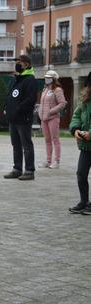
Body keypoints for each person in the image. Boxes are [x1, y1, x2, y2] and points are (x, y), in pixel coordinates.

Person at [4, 55, 37, 181]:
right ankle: (17, 168)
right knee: (15, 144)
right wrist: (7, 107)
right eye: (16, 62)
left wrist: (18, 109)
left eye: (19, 62)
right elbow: (10, 95)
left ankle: (29, 170)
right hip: (13, 118)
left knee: (26, 145)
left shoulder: (30, 79)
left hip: (23, 118)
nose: (17, 64)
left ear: (27, 64)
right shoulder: (15, 79)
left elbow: (30, 99)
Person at [69, 71, 91, 215]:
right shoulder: (84, 99)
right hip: (86, 146)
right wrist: (75, 129)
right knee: (81, 174)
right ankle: (84, 201)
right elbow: (76, 115)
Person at [38, 70, 67, 169]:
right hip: (44, 118)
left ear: (54, 79)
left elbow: (62, 103)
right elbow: (42, 103)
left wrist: (51, 111)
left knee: (55, 139)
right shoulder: (45, 89)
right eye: (46, 77)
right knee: (47, 140)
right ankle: (48, 160)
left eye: (49, 77)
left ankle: (57, 161)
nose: (47, 79)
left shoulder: (58, 90)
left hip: (53, 118)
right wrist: (39, 111)